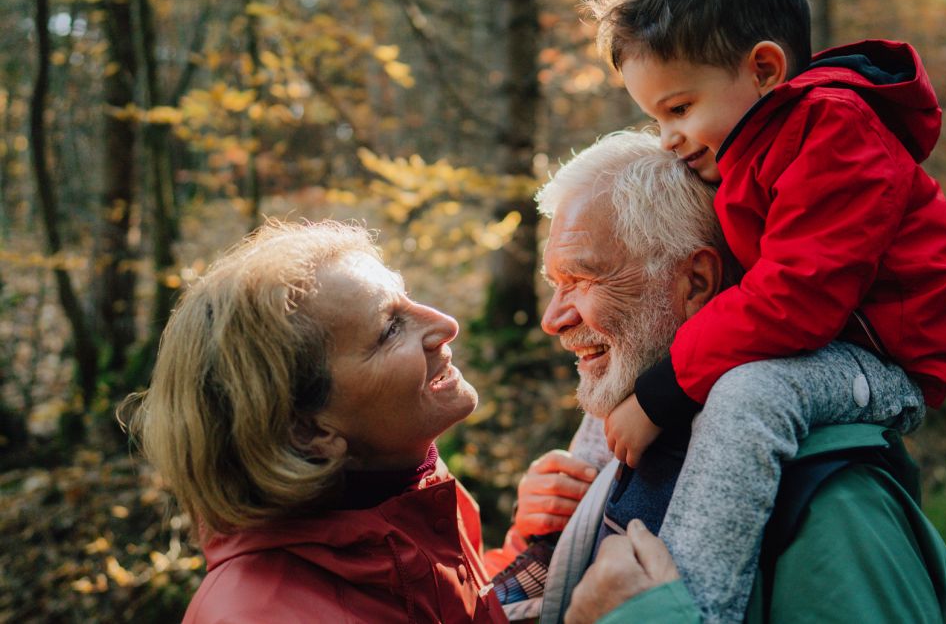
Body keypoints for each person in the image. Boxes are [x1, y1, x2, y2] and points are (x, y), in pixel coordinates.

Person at [584, 0, 946, 620]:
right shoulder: (752, 147)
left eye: (678, 109)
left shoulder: (837, 130)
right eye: (653, 117)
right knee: (638, 353)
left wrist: (663, 394)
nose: (668, 136)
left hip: (880, 363)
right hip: (824, 344)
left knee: (749, 392)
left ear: (763, 69)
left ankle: (698, 603)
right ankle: (576, 522)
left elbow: (797, 295)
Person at [534, 131, 946, 623]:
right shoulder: (630, 437)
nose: (553, 318)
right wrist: (542, 534)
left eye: (581, 279)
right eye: (554, 284)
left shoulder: (835, 505)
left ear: (695, 282)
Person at [119, 219, 592, 622]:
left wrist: (528, 544)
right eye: (389, 329)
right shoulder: (260, 613)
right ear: (310, 431)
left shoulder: (404, 492)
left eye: (407, 298)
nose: (447, 324)